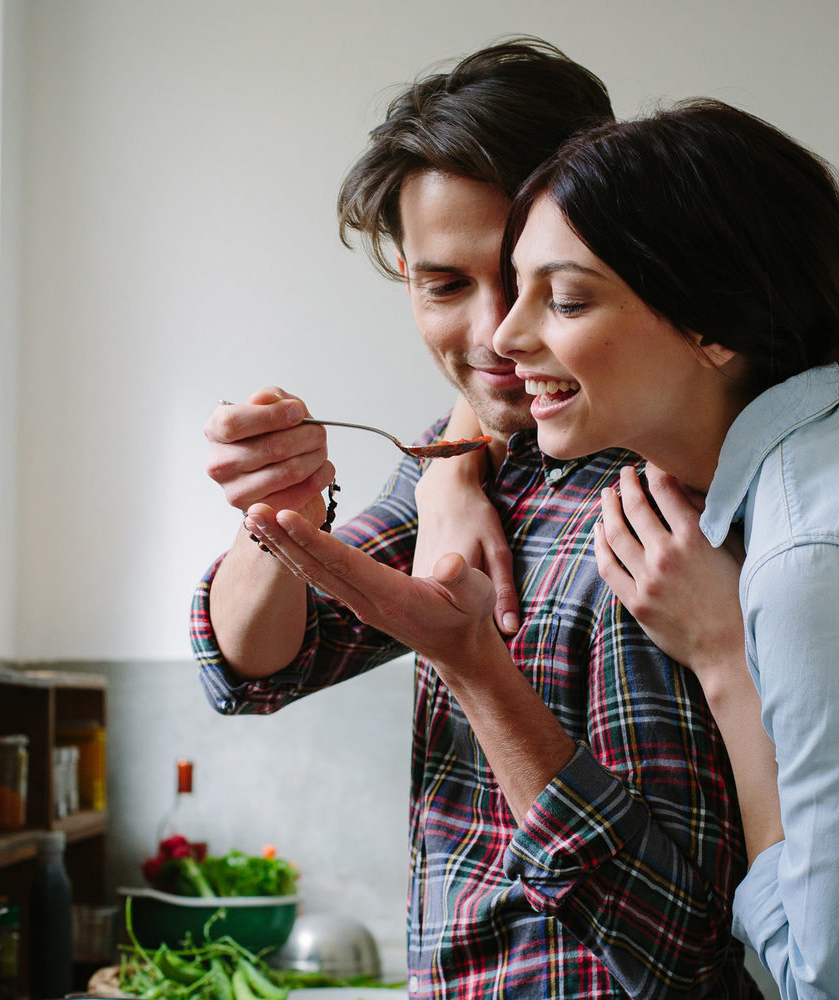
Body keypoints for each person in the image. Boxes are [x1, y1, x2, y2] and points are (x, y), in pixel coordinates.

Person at [244, 100, 839, 999]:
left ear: (712, 324)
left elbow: (824, 984)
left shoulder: (816, 557)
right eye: (463, 285)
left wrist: (723, 663)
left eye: (565, 299)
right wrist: (449, 465)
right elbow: (242, 660)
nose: (503, 335)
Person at [195, 43, 758, 998]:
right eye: (445, 286)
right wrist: (279, 519)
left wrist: (476, 671)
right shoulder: (462, 463)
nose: (496, 333)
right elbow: (248, 670)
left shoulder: (666, 504)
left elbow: (678, 949)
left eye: (536, 279)